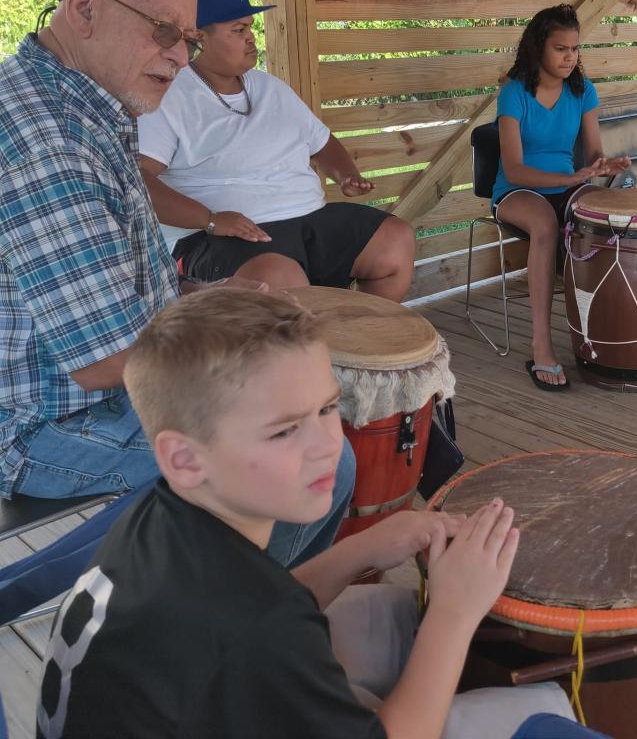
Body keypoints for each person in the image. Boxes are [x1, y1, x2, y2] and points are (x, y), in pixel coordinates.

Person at [36, 290, 581, 739]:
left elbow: (257, 610)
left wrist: (362, 549)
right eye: (283, 430)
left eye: (326, 408)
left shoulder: (157, 518)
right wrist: (455, 611)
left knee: (385, 620)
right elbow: (263, 628)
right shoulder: (259, 628)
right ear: (184, 457)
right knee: (546, 719)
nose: (326, 444)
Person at [0, 0, 353, 566]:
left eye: (188, 40)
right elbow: (106, 358)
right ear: (84, 7)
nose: (178, 55)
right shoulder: (47, 140)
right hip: (43, 426)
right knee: (317, 455)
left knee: (300, 413)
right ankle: (230, 629)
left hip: (100, 388)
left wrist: (212, 297)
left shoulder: (87, 109)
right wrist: (241, 347)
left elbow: (125, 293)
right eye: (164, 31)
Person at [138, 0, 415, 300]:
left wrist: (345, 175)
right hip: (219, 236)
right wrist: (210, 220)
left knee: (395, 240)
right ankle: (312, 348)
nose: (251, 39)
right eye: (238, 30)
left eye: (250, 27)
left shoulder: (270, 88)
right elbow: (138, 181)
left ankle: (353, 344)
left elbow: (321, 142)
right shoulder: (171, 96)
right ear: (199, 39)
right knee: (277, 284)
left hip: (307, 217)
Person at [492, 5, 630, 391]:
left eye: (574, 49)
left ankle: (606, 331)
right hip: (517, 191)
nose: (570, 57)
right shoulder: (513, 94)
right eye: (560, 49)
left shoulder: (583, 91)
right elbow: (515, 168)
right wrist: (570, 176)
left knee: (602, 216)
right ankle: (542, 346)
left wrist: (604, 165)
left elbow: (591, 154)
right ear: (538, 48)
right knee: (546, 224)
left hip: (568, 183)